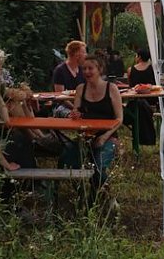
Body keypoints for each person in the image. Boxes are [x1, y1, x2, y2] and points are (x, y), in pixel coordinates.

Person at [64, 55, 124, 192]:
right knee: (66, 160)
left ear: (100, 69)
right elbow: (76, 114)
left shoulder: (111, 88)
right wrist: (76, 115)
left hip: (108, 137)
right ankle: (80, 193)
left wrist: (104, 137)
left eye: (90, 68)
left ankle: (101, 195)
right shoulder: (80, 89)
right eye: (84, 69)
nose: (86, 72)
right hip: (85, 136)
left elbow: (119, 119)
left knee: (98, 166)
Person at [52, 40, 87, 116]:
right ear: (76, 54)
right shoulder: (60, 70)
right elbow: (60, 97)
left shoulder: (82, 70)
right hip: (63, 106)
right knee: (72, 116)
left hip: (79, 105)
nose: (86, 55)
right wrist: (75, 108)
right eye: (84, 52)